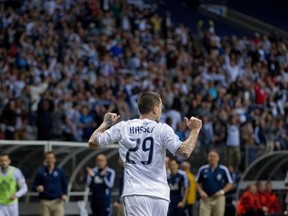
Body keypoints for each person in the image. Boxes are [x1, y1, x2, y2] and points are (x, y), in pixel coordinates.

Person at [88, 91, 202, 215]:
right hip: (159, 195)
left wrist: (105, 124)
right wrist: (195, 130)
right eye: (161, 107)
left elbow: (93, 142)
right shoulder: (162, 129)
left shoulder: (124, 127)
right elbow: (185, 151)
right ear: (155, 109)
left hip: (135, 193)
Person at [196, 150, 233, 216]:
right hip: (205, 199)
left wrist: (222, 192)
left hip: (218, 198)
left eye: (215, 156)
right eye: (210, 156)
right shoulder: (202, 169)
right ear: (207, 158)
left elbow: (230, 184)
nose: (212, 158)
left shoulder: (223, 169)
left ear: (218, 158)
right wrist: (201, 192)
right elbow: (197, 183)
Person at [32, 151, 68, 216]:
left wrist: (65, 194)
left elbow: (64, 185)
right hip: (45, 202)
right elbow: (33, 186)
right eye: (48, 158)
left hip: (58, 201)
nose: (50, 160)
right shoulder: (40, 172)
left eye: (51, 158)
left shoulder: (60, 171)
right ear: (45, 160)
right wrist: (38, 188)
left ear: (54, 159)